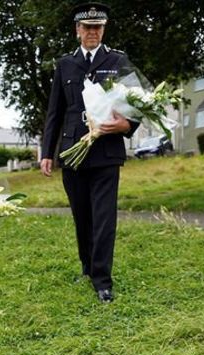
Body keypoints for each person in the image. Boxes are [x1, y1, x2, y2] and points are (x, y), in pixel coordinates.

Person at [40, 2, 139, 303]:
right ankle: (87, 265)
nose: (92, 32)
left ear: (103, 29)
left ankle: (102, 279)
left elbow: (136, 104)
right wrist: (47, 152)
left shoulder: (118, 61)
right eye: (87, 27)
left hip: (106, 152)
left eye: (97, 27)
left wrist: (126, 125)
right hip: (73, 152)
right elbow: (54, 112)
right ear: (78, 30)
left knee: (103, 217)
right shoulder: (65, 65)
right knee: (81, 215)